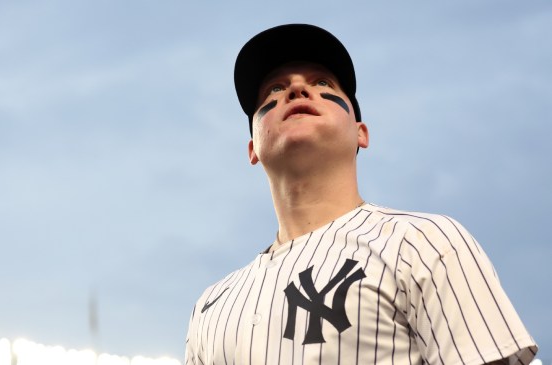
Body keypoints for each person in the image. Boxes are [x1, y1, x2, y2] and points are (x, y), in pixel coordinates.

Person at [185, 24, 537, 365]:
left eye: (323, 83)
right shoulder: (212, 304)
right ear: (253, 149)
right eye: (274, 90)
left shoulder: (425, 242)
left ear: (360, 133)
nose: (295, 89)